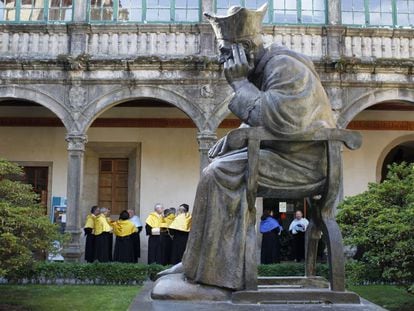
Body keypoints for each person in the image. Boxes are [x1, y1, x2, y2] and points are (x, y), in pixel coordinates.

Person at [177, 4, 336, 290]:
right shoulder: (267, 66)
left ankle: (216, 275)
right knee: (215, 169)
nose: (223, 61)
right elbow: (271, 118)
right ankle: (198, 262)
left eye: (227, 53)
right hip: (287, 154)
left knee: (219, 175)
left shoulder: (285, 66)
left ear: (246, 47)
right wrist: (236, 137)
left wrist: (238, 82)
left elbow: (282, 120)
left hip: (305, 164)